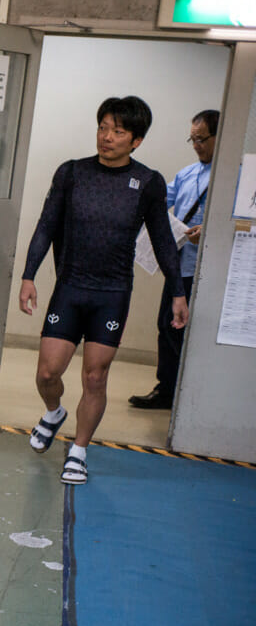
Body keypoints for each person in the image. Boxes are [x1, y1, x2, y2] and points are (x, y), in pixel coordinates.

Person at [18, 96, 187, 485]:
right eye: (103, 128)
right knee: (47, 372)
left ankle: (78, 451)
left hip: (112, 293)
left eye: (118, 131)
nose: (107, 137)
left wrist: (177, 292)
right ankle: (53, 412)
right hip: (70, 287)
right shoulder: (72, 173)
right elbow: (46, 225)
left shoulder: (147, 183)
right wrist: (29, 276)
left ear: (136, 140)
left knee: (95, 376)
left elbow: (162, 240)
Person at [129, 109, 218, 410]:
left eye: (201, 139)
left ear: (220, 136)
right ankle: (167, 389)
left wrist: (209, 229)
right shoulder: (187, 173)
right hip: (179, 264)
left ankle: (194, 394)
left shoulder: (236, 176)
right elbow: (158, 202)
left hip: (209, 271)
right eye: (192, 139)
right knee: (167, 324)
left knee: (197, 333)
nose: (196, 145)